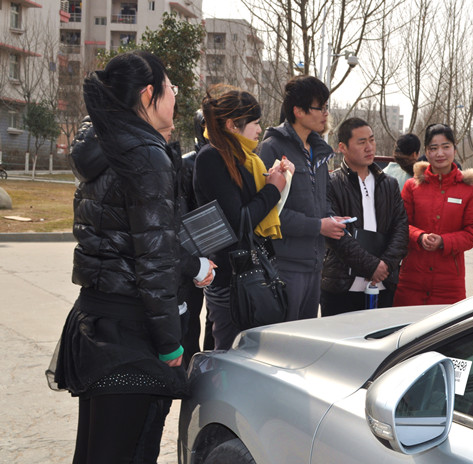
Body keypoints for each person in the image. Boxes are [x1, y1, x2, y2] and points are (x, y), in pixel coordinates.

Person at [48, 51, 214, 464]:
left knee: (98, 451)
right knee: (129, 451)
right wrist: (170, 343)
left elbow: (135, 237)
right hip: (132, 332)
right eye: (171, 88)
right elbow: (153, 259)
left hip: (98, 318)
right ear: (147, 95)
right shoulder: (144, 153)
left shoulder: (105, 145)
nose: (175, 95)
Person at [193, 84, 292, 351]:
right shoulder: (212, 157)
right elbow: (239, 221)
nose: (260, 129)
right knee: (232, 354)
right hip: (231, 279)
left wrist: (277, 181)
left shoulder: (245, 158)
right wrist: (273, 189)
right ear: (232, 125)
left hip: (250, 273)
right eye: (255, 123)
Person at [258, 75, 346, 321]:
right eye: (320, 108)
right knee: (282, 338)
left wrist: (331, 219)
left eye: (327, 107)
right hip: (285, 265)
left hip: (315, 265)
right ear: (298, 111)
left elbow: (322, 200)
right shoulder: (273, 148)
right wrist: (318, 226)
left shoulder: (318, 151)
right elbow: (269, 212)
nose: (326, 114)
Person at [321, 118, 408, 315]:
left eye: (372, 140)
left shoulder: (389, 184)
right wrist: (372, 266)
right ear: (342, 147)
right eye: (361, 142)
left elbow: (401, 228)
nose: (369, 147)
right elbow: (336, 235)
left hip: (383, 285)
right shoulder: (331, 183)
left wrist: (385, 265)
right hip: (341, 287)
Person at [393, 123, 473, 306]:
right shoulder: (412, 186)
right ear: (426, 152)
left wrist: (444, 241)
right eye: (433, 148)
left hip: (449, 285)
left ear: (454, 150)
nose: (440, 153)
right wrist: (420, 237)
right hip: (411, 281)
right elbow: (400, 225)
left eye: (445, 147)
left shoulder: (469, 189)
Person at [180, 109, 215, 362]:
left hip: (219, 251)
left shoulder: (229, 161)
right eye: (205, 124)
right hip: (191, 253)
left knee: (216, 320)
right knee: (190, 319)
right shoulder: (186, 164)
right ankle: (189, 370)